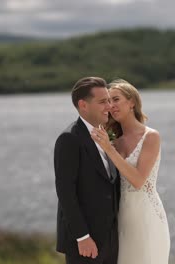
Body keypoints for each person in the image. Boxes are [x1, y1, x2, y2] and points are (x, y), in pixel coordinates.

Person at [91, 79, 170, 264]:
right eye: (108, 101)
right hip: (120, 219)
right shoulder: (113, 142)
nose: (111, 105)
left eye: (116, 99)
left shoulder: (151, 136)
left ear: (132, 102)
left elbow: (138, 180)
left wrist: (108, 149)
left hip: (146, 216)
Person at [54, 77, 120, 264]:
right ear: (83, 105)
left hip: (110, 240)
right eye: (102, 102)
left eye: (109, 100)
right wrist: (82, 237)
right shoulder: (69, 139)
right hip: (85, 243)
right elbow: (65, 192)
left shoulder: (104, 134)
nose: (109, 106)